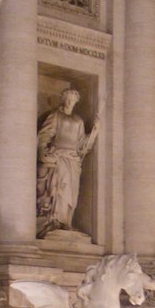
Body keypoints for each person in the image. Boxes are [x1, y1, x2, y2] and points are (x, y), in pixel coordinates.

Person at [36, 88, 100, 238]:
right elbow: (45, 135)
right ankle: (54, 220)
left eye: (73, 100)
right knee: (59, 188)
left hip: (73, 159)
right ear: (63, 99)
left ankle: (65, 221)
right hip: (59, 156)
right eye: (68, 99)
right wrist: (42, 151)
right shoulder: (55, 116)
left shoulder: (78, 121)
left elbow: (82, 145)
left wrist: (95, 131)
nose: (70, 102)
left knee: (71, 192)